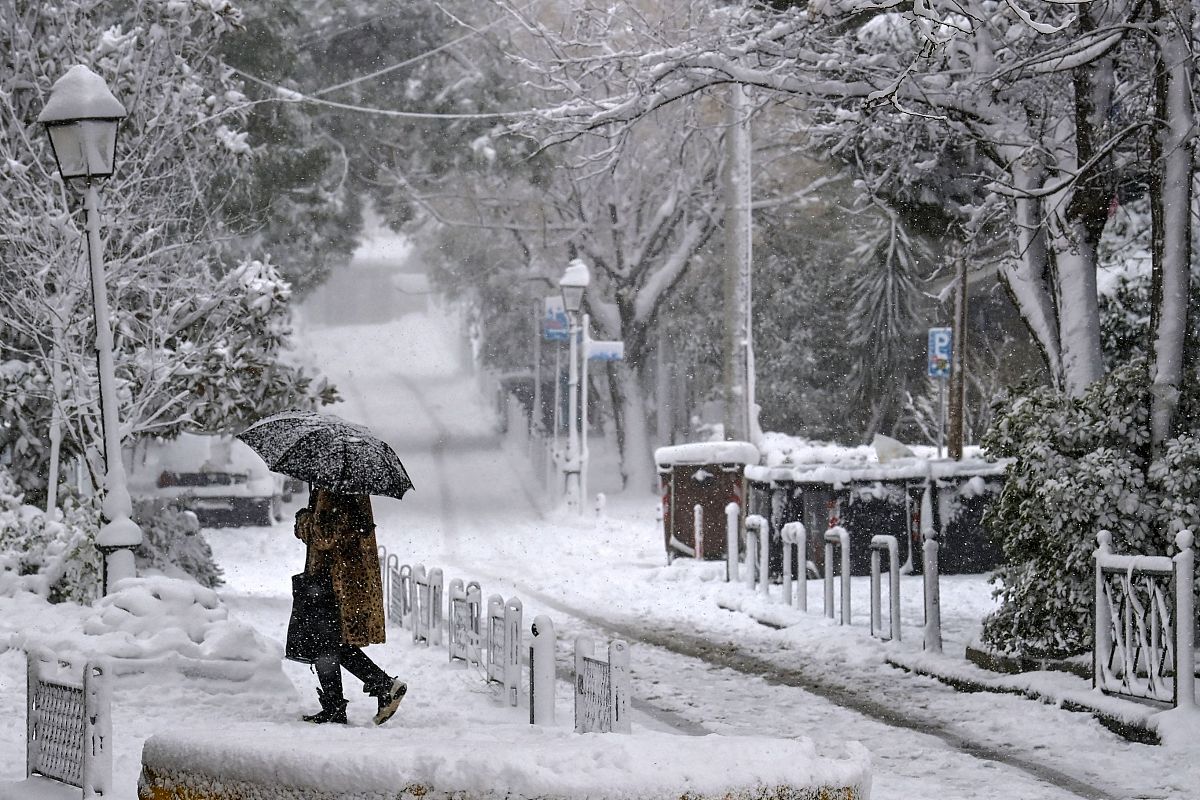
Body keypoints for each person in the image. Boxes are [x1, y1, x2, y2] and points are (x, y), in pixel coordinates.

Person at [291, 487, 406, 725]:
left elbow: (323, 536)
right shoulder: (349, 487)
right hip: (347, 580)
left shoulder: (332, 489)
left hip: (333, 581)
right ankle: (379, 687)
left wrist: (303, 519)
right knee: (332, 644)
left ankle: (348, 701)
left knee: (326, 644)